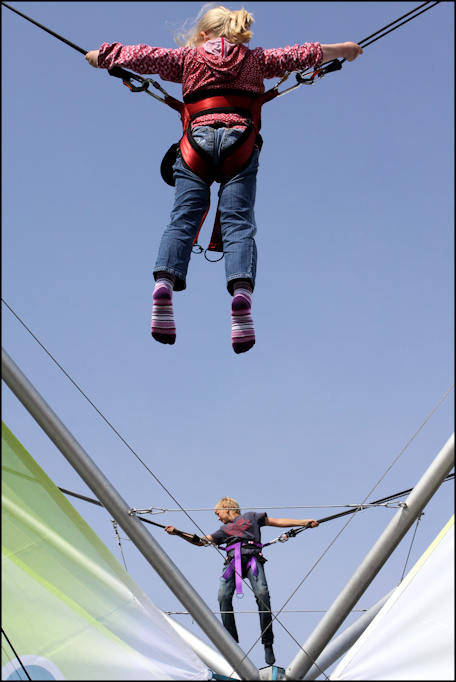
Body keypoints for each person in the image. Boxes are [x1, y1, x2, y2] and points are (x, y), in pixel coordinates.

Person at [85, 5, 362, 353]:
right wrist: (344, 49)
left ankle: (165, 283)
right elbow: (303, 55)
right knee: (239, 223)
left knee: (183, 218)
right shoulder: (258, 60)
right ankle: (241, 294)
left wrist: (103, 56)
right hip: (240, 144)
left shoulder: (187, 59)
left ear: (203, 35)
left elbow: (142, 56)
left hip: (195, 144)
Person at [164, 496, 319, 666]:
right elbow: (201, 541)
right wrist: (178, 533)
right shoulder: (223, 530)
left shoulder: (252, 517)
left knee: (263, 594)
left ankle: (268, 642)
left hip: (253, 559)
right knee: (223, 595)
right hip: (232, 562)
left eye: (218, 513)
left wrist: (304, 522)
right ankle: (230, 641)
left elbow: (277, 521)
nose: (218, 518)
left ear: (226, 508)